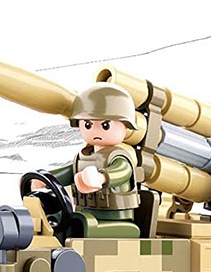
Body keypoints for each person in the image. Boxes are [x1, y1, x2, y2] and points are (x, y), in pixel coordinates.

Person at [30, 82, 142, 238]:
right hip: (85, 215)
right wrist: (45, 179)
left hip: (117, 221)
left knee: (83, 230)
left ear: (125, 125)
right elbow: (68, 173)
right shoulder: (83, 157)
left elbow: (121, 172)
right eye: (88, 125)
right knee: (56, 224)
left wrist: (101, 177)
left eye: (105, 125)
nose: (95, 131)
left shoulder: (119, 156)